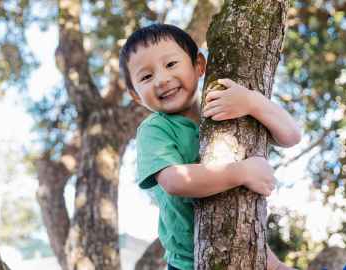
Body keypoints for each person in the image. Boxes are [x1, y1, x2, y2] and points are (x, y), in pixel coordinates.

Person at [119, 23, 301, 270]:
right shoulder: (155, 129)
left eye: (171, 64)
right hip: (188, 262)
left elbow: (291, 136)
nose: (162, 79)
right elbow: (174, 180)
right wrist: (242, 172)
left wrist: (252, 103)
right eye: (146, 77)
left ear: (199, 65)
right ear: (135, 95)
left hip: (247, 241)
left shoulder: (224, 104)